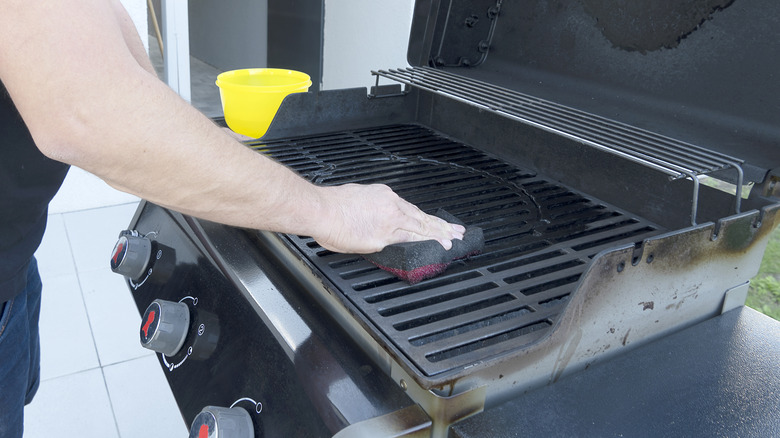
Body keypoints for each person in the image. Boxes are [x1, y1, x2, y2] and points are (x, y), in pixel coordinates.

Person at [0, 1, 464, 436]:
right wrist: (328, 211)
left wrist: (216, 154)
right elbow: (90, 113)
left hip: (13, 261)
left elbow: (111, 64)